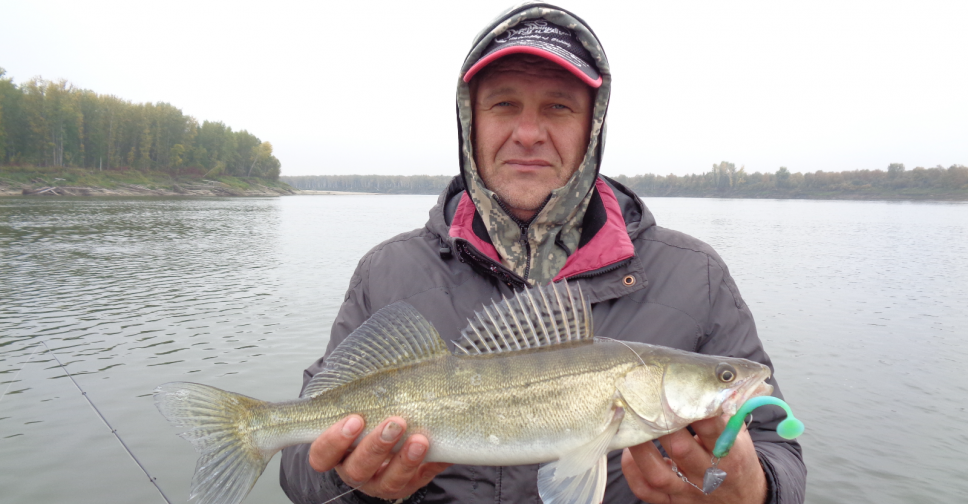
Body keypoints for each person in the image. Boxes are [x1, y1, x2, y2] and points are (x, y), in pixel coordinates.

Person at [280, 3, 806, 503]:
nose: (528, 134)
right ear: (471, 122)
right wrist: (349, 485)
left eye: (558, 107)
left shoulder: (697, 277)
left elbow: (778, 450)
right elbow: (299, 468)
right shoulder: (387, 272)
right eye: (504, 104)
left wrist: (753, 493)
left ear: (591, 127)